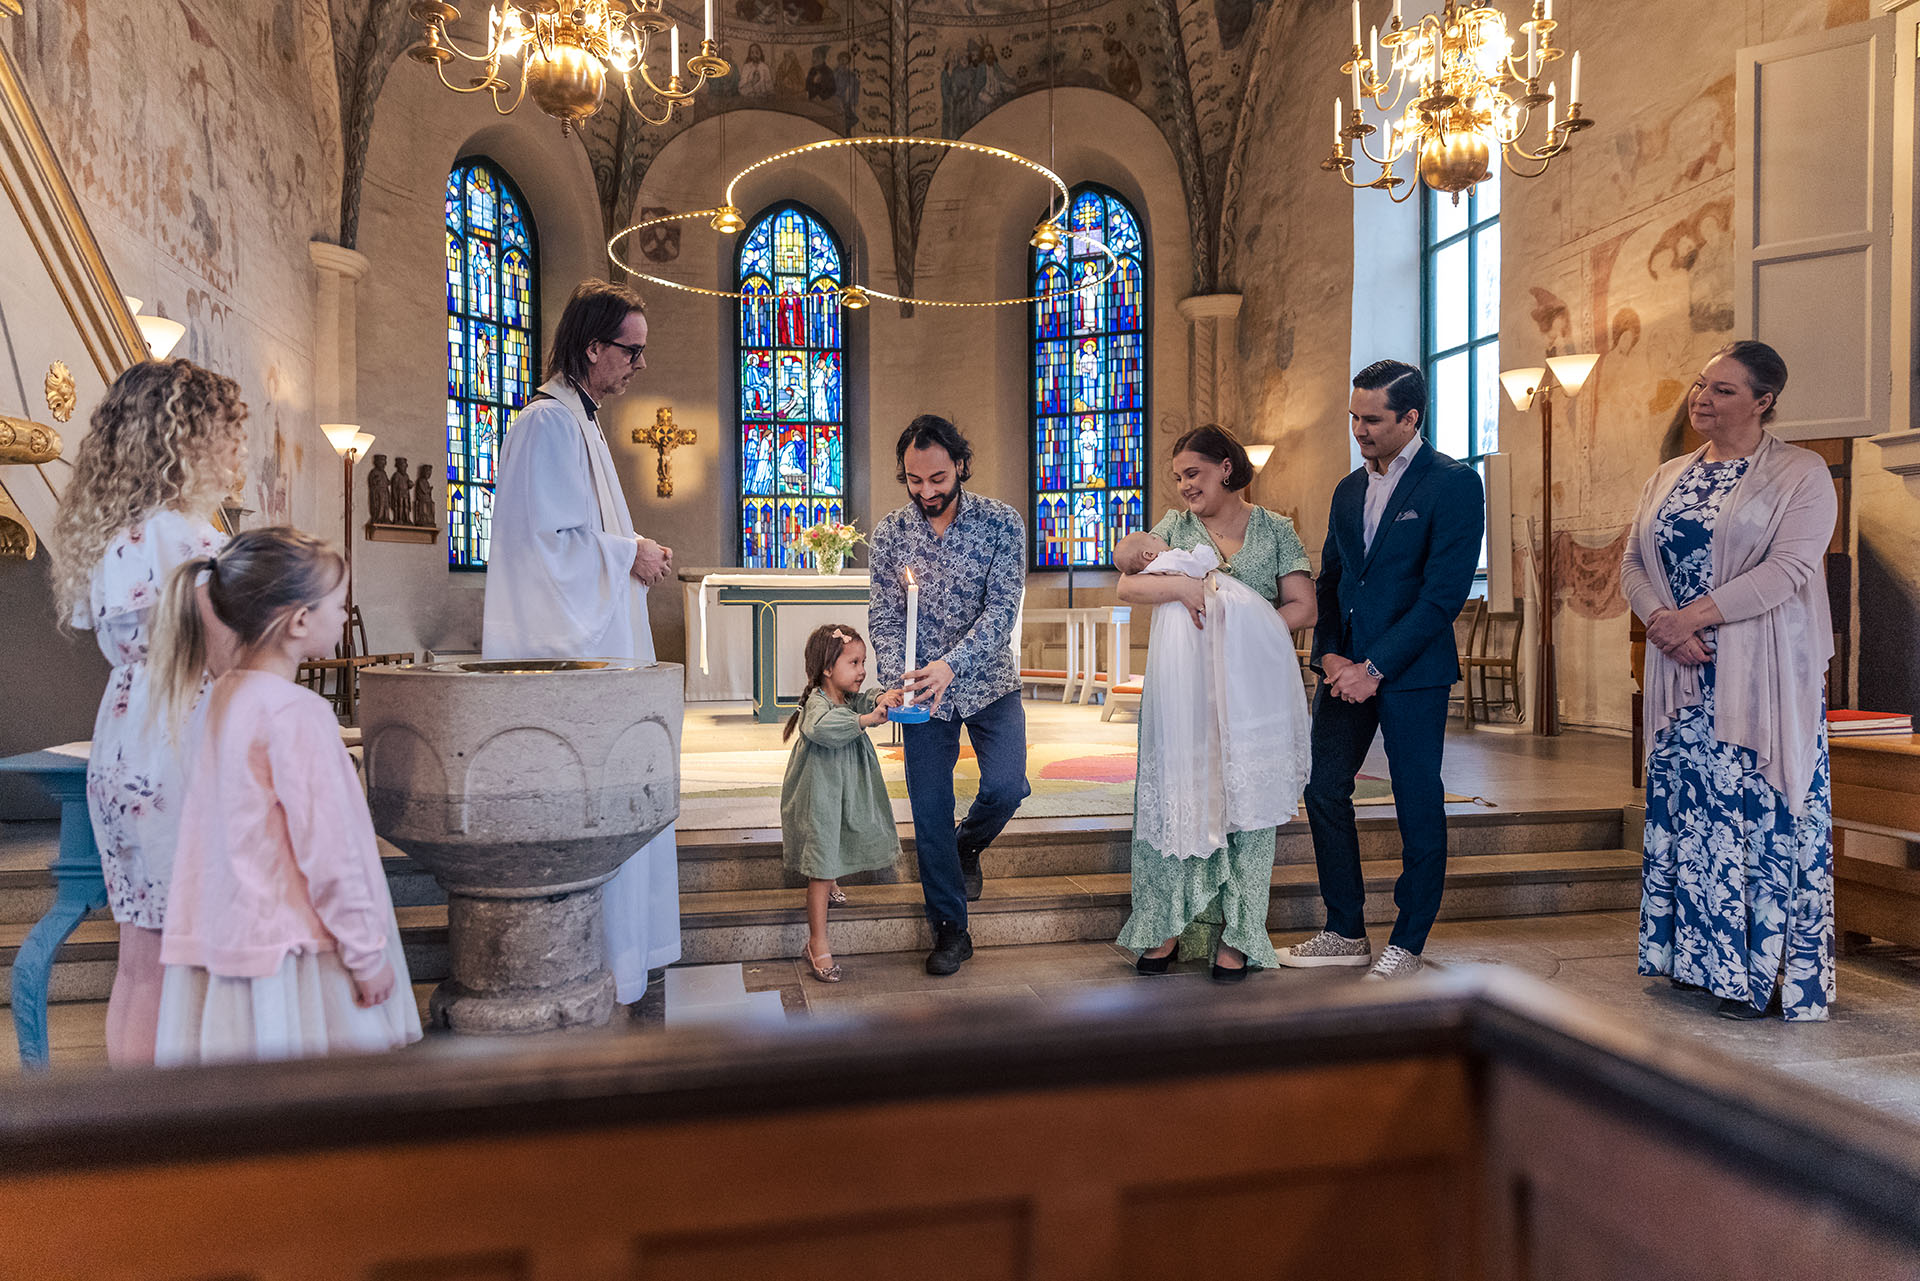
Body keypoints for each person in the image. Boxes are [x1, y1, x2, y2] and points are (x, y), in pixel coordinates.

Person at [147, 527, 421, 1064]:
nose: (343, 618)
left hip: (228, 939)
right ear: (299, 621)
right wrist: (366, 956)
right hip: (296, 955)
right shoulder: (296, 714)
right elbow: (331, 852)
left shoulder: (217, 700)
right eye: (338, 606)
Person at [1621, 341, 1836, 1021]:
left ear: (1764, 401)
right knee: (1692, 817)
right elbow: (1633, 561)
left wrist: (1687, 619)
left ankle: (1756, 975)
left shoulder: (1802, 473)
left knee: (1755, 816)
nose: (1703, 398)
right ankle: (1694, 961)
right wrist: (1662, 623)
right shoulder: (1668, 475)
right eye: (1701, 385)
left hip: (1758, 674)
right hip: (1682, 674)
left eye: (1723, 389)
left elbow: (1788, 569)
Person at [482, 279, 680, 1006]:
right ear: (593, 347)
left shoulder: (581, 422)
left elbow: (575, 536)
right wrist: (628, 553)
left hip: (600, 650)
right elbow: (545, 550)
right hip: (570, 661)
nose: (639, 365)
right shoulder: (548, 424)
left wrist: (629, 549)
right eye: (631, 350)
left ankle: (619, 962)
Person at [51, 358, 246, 1065]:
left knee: (140, 955)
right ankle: (181, 1111)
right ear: (186, 438)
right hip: (179, 738)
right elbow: (224, 654)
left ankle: (130, 1106)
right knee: (186, 951)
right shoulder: (186, 537)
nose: (235, 450)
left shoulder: (114, 535)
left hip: (124, 737)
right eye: (226, 433)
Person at [1282, 360, 1484, 980]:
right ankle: (1344, 928)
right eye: (1354, 417)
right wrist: (1331, 654)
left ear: (1410, 418)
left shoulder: (1453, 483)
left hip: (1412, 671)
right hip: (1345, 669)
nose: (1359, 430)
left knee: (1416, 800)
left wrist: (1375, 667)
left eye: (1371, 419)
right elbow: (1334, 579)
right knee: (1323, 789)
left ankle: (1408, 941)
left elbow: (1442, 596)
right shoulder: (1348, 489)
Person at [1113, 425, 1316, 981]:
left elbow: (1304, 605)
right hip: (1185, 694)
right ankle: (1164, 924)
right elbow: (1128, 586)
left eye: (1193, 473)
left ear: (1226, 467)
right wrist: (1181, 588)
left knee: (1248, 806)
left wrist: (1247, 630)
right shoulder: (1173, 528)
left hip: (1255, 686)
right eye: (1178, 477)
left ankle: (1239, 934)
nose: (1184, 486)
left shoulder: (1274, 529)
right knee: (1180, 795)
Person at [869, 415, 1028, 976]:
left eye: (937, 478)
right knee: (930, 808)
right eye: (914, 480)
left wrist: (951, 665)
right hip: (920, 695)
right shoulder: (890, 533)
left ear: (960, 464)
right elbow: (885, 616)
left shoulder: (1002, 522)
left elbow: (1003, 610)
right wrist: (898, 676)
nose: (926, 491)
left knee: (1007, 785)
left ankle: (969, 846)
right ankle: (950, 929)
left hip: (988, 681)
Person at [780, 624, 904, 982]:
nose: (862, 670)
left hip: (844, 790)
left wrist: (883, 698)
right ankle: (817, 942)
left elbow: (868, 699)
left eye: (863, 662)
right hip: (819, 793)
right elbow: (823, 728)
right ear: (827, 668)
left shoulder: (850, 698)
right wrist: (866, 720)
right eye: (854, 663)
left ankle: (832, 879)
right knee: (821, 860)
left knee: (839, 831)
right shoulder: (817, 704)